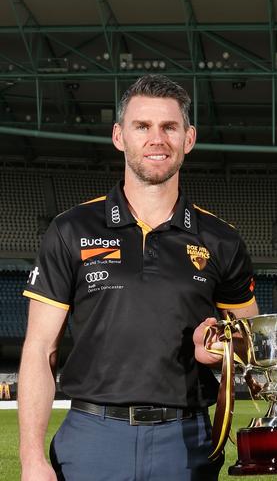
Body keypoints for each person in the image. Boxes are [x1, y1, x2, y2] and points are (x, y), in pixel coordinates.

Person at [18, 74, 258, 481]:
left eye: (169, 127)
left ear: (189, 138)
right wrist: (31, 459)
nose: (156, 138)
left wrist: (221, 347)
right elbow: (40, 350)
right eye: (142, 126)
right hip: (92, 436)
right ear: (119, 136)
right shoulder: (70, 229)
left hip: (187, 439)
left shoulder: (222, 239)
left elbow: (250, 344)